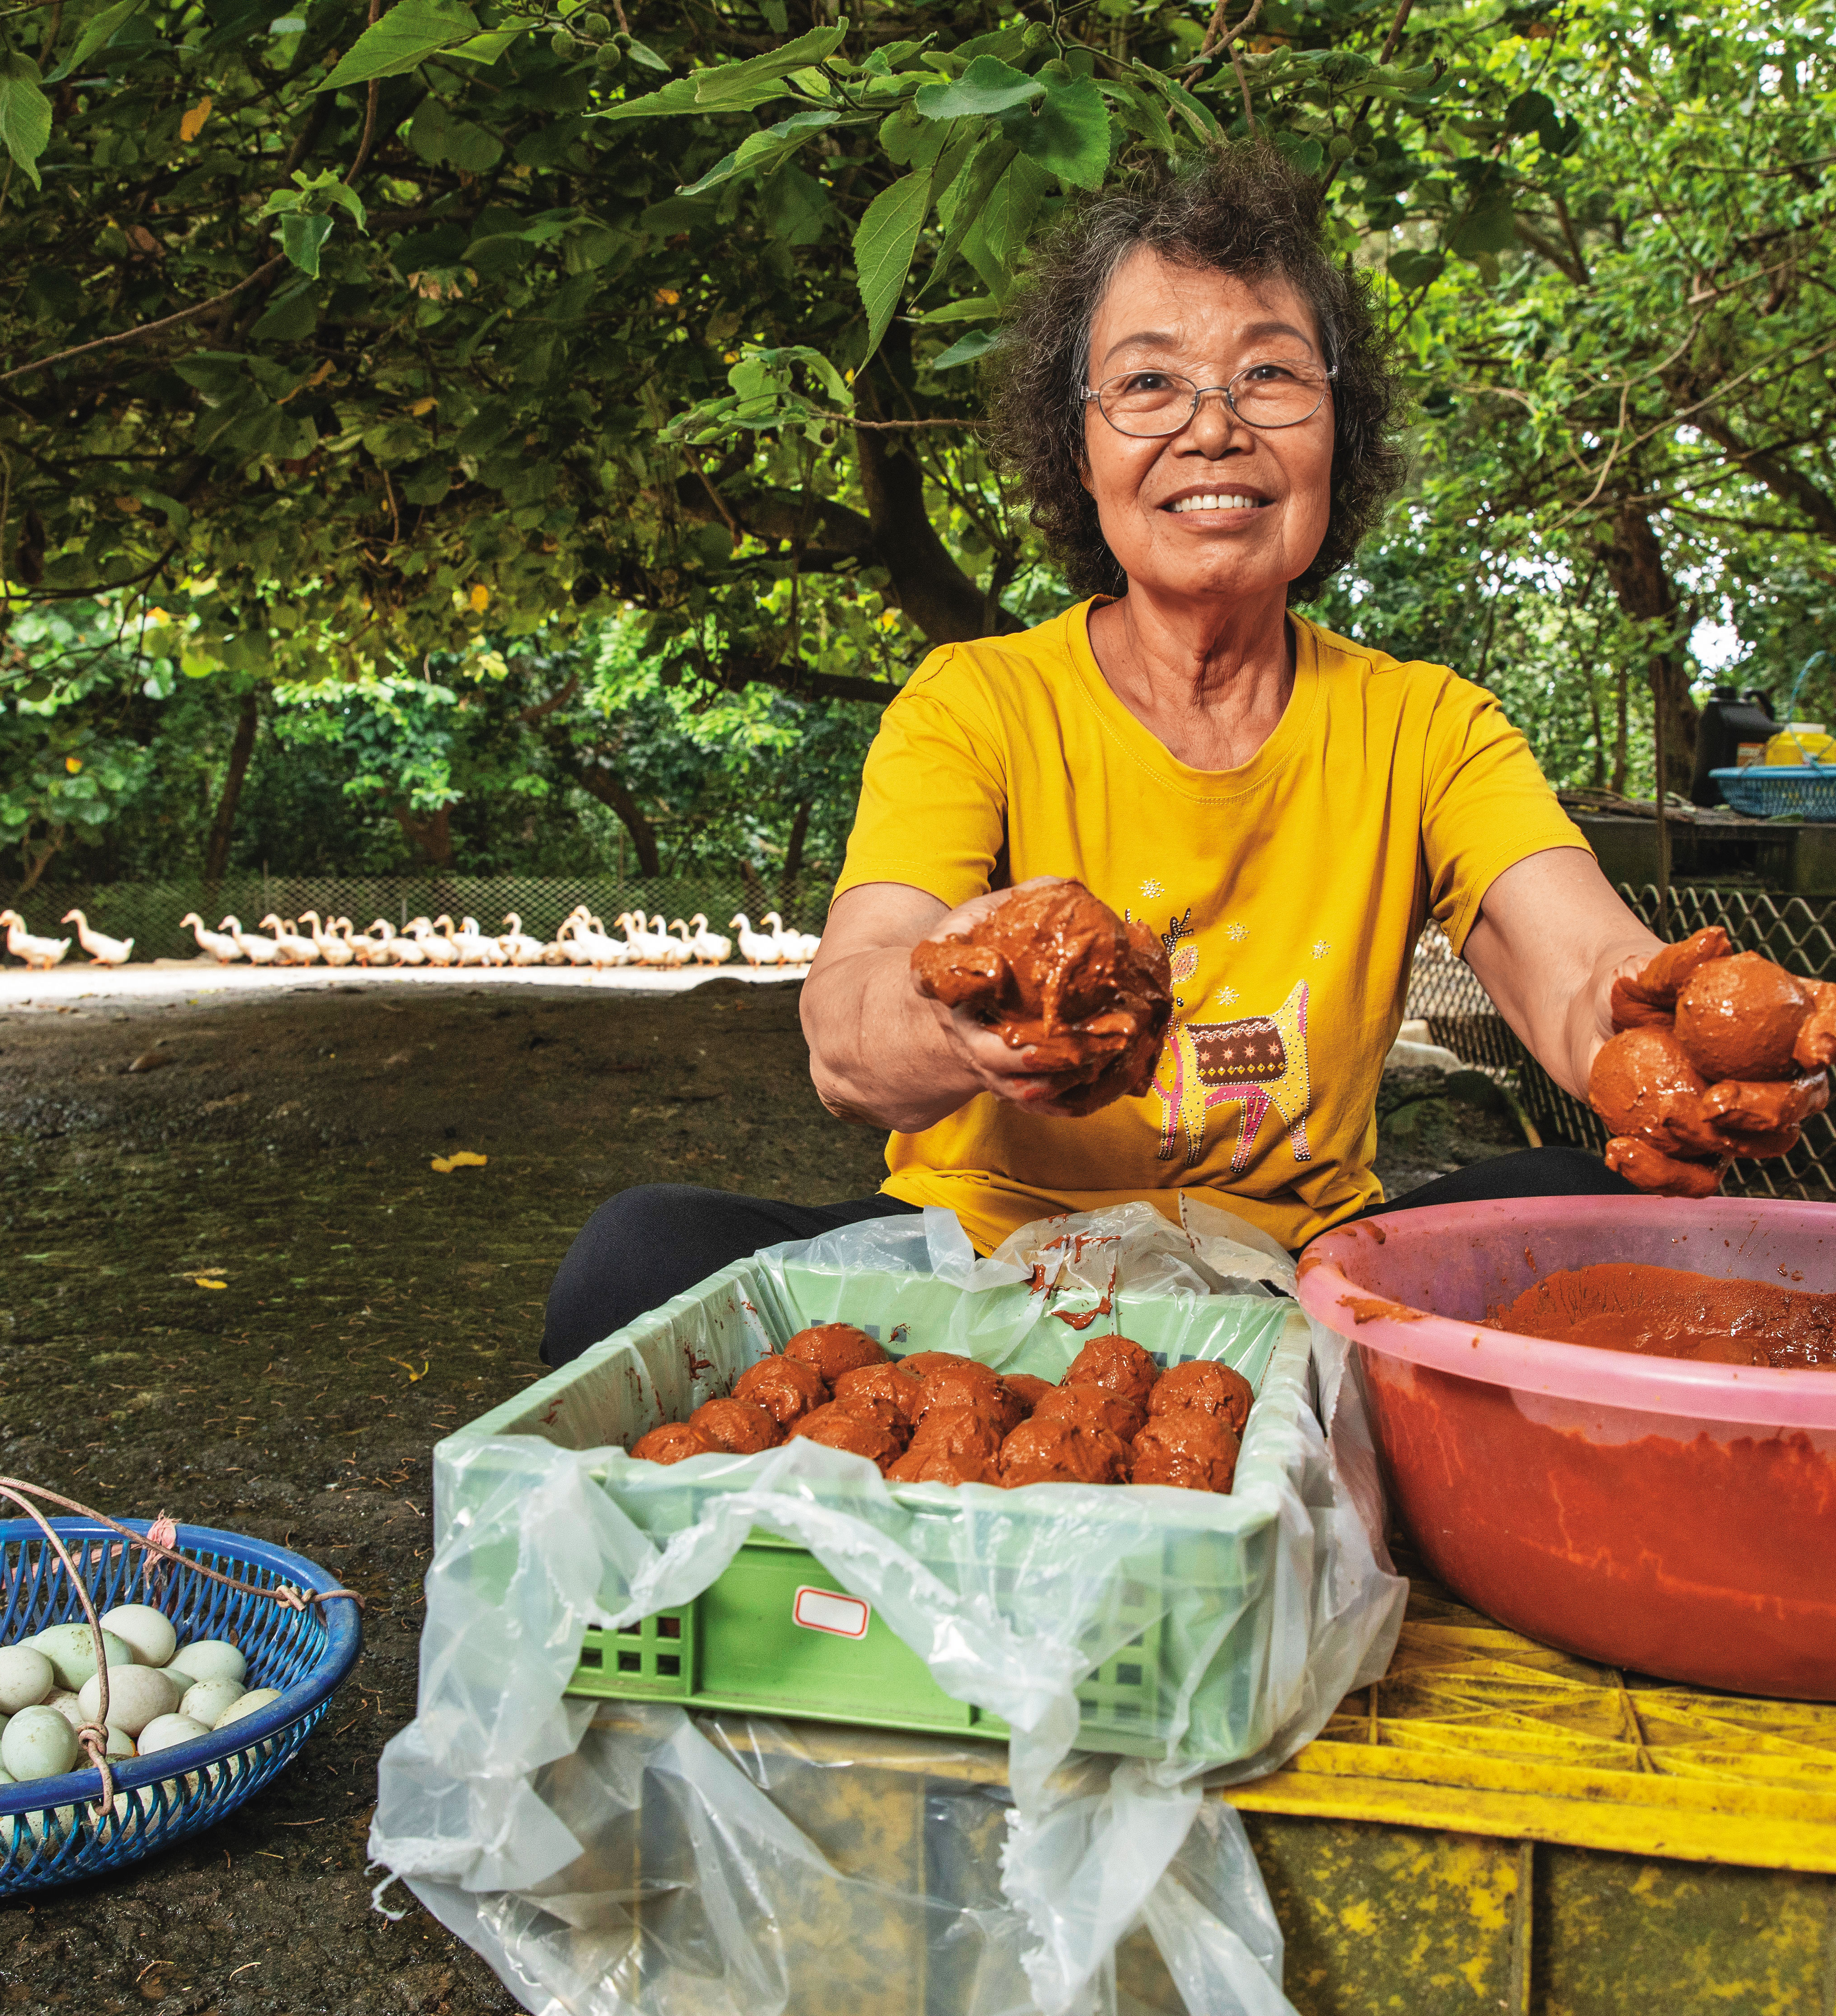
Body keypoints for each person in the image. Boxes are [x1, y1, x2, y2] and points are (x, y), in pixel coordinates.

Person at [540, 146, 1692, 1367]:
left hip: (1301, 1288)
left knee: (1601, 1212)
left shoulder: (1428, 726)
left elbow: (1582, 972)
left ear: (1336, 431)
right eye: (1150, 382)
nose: (1213, 428)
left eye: (1271, 375)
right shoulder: (975, 703)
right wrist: (961, 1020)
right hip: (974, 1283)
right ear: (1076, 448)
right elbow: (847, 1030)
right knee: (640, 1262)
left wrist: (1671, 1046)